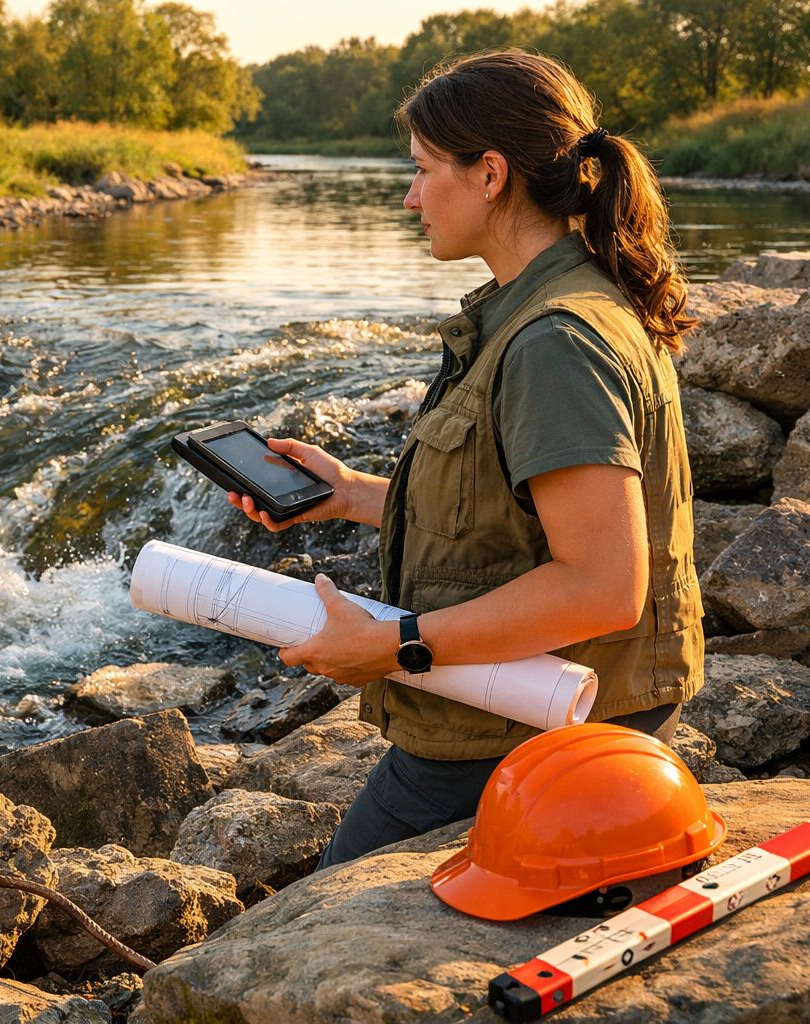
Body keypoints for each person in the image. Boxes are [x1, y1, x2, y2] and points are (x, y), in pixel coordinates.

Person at [228, 49, 704, 869]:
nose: (411, 197)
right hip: (517, 718)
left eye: (420, 171)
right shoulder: (550, 307)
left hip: (531, 732)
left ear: (489, 174)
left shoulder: (554, 340)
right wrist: (347, 495)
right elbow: (508, 514)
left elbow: (603, 585)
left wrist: (398, 645)